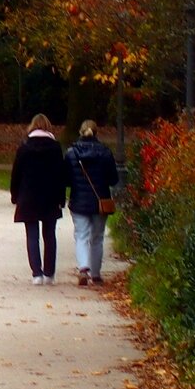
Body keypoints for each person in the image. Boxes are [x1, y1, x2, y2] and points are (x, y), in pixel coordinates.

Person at [10, 113, 67, 284]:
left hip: (28, 195)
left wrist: (15, 195)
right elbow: (60, 174)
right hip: (49, 196)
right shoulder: (55, 148)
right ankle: (49, 273)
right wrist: (61, 197)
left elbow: (16, 173)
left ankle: (37, 273)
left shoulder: (24, 147)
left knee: (32, 235)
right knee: (50, 235)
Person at [65, 120, 120, 288]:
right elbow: (113, 179)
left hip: (79, 201)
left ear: (80, 132)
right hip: (100, 201)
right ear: (96, 133)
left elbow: (66, 179)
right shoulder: (105, 153)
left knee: (81, 235)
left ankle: (83, 268)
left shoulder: (71, 153)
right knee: (97, 238)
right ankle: (96, 274)